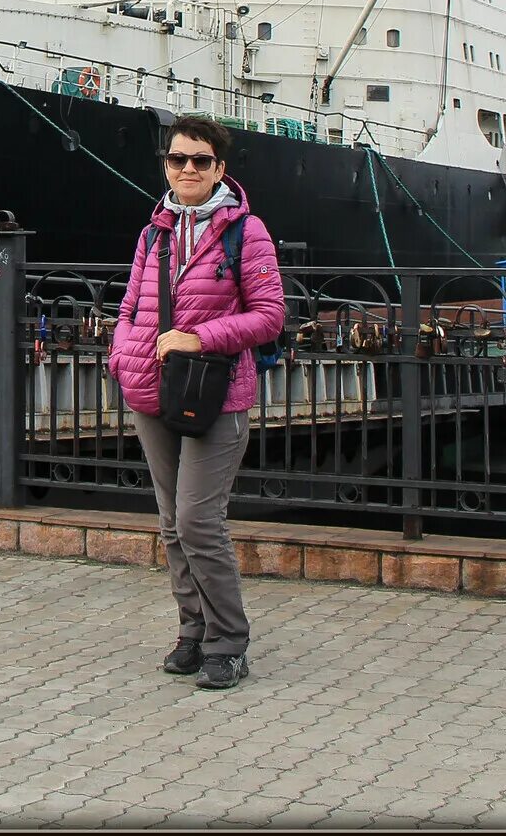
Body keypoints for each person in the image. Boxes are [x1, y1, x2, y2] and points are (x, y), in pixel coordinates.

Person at [106, 115, 287, 691]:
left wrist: (198, 338)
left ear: (219, 169)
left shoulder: (245, 232)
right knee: (169, 524)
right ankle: (193, 631)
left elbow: (271, 316)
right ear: (166, 165)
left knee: (197, 520)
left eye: (200, 161)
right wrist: (121, 355)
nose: (188, 169)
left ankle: (229, 640)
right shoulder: (153, 233)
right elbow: (131, 306)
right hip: (151, 388)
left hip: (216, 392)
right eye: (178, 159)